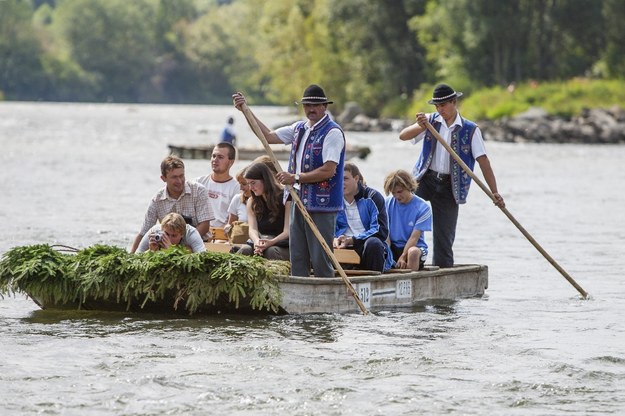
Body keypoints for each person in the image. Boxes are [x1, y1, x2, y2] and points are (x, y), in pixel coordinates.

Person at [233, 84, 345, 277]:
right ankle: (300, 288)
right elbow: (267, 136)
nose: (311, 109)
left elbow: (329, 170)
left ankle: (325, 289)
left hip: (321, 204)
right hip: (296, 199)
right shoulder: (298, 128)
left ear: (324, 107)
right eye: (307, 105)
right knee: (298, 254)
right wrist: (246, 111)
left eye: (315, 106)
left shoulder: (332, 132)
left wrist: (296, 178)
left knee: (320, 256)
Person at [399, 83, 505, 267]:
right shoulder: (430, 121)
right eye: (437, 106)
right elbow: (403, 136)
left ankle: (442, 273)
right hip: (425, 180)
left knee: (444, 238)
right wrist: (420, 125)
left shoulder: (470, 130)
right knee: (406, 220)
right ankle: (402, 262)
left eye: (443, 105)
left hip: (450, 186)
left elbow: (483, 162)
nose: (440, 110)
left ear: (454, 102)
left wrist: (494, 192)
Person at [130, 155, 213, 253]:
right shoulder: (157, 199)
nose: (179, 181)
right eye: (174, 177)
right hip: (165, 245)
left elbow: (204, 225)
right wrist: (130, 257)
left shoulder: (199, 190)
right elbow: (144, 232)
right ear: (163, 178)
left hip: (196, 244)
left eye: (181, 176)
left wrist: (178, 246)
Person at [333, 162, 394, 273]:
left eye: (345, 179)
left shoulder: (372, 197)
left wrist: (352, 240)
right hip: (341, 247)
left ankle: (375, 281)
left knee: (374, 243)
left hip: (364, 245)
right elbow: (328, 227)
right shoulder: (333, 199)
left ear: (356, 178)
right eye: (338, 179)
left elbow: (381, 230)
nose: (341, 183)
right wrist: (334, 239)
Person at [236, 162, 290, 260]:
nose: (251, 188)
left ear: (265, 180)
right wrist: (257, 242)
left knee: (271, 251)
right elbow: (252, 229)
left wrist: (271, 242)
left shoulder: (286, 198)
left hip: (283, 244)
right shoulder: (252, 201)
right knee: (245, 250)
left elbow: (288, 231)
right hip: (262, 241)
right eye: (248, 184)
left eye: (253, 183)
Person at [383, 170, 432, 271]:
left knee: (412, 253)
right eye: (393, 193)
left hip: (414, 247)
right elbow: (386, 235)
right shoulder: (386, 204)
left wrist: (403, 256)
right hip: (393, 246)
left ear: (409, 187)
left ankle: (411, 284)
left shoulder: (423, 208)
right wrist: (388, 255)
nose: (397, 196)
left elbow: (414, 238)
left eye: (400, 192)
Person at [195, 142, 240, 230]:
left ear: (231, 162)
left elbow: (237, 219)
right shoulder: (198, 182)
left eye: (220, 157)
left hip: (222, 236)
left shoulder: (237, 187)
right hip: (199, 232)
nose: (215, 160)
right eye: (213, 156)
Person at [136, 213, 206, 253]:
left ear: (182, 234)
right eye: (166, 234)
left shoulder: (191, 233)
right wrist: (151, 251)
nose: (168, 238)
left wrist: (171, 250)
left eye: (174, 235)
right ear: (162, 229)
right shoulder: (155, 231)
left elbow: (203, 258)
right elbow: (137, 255)